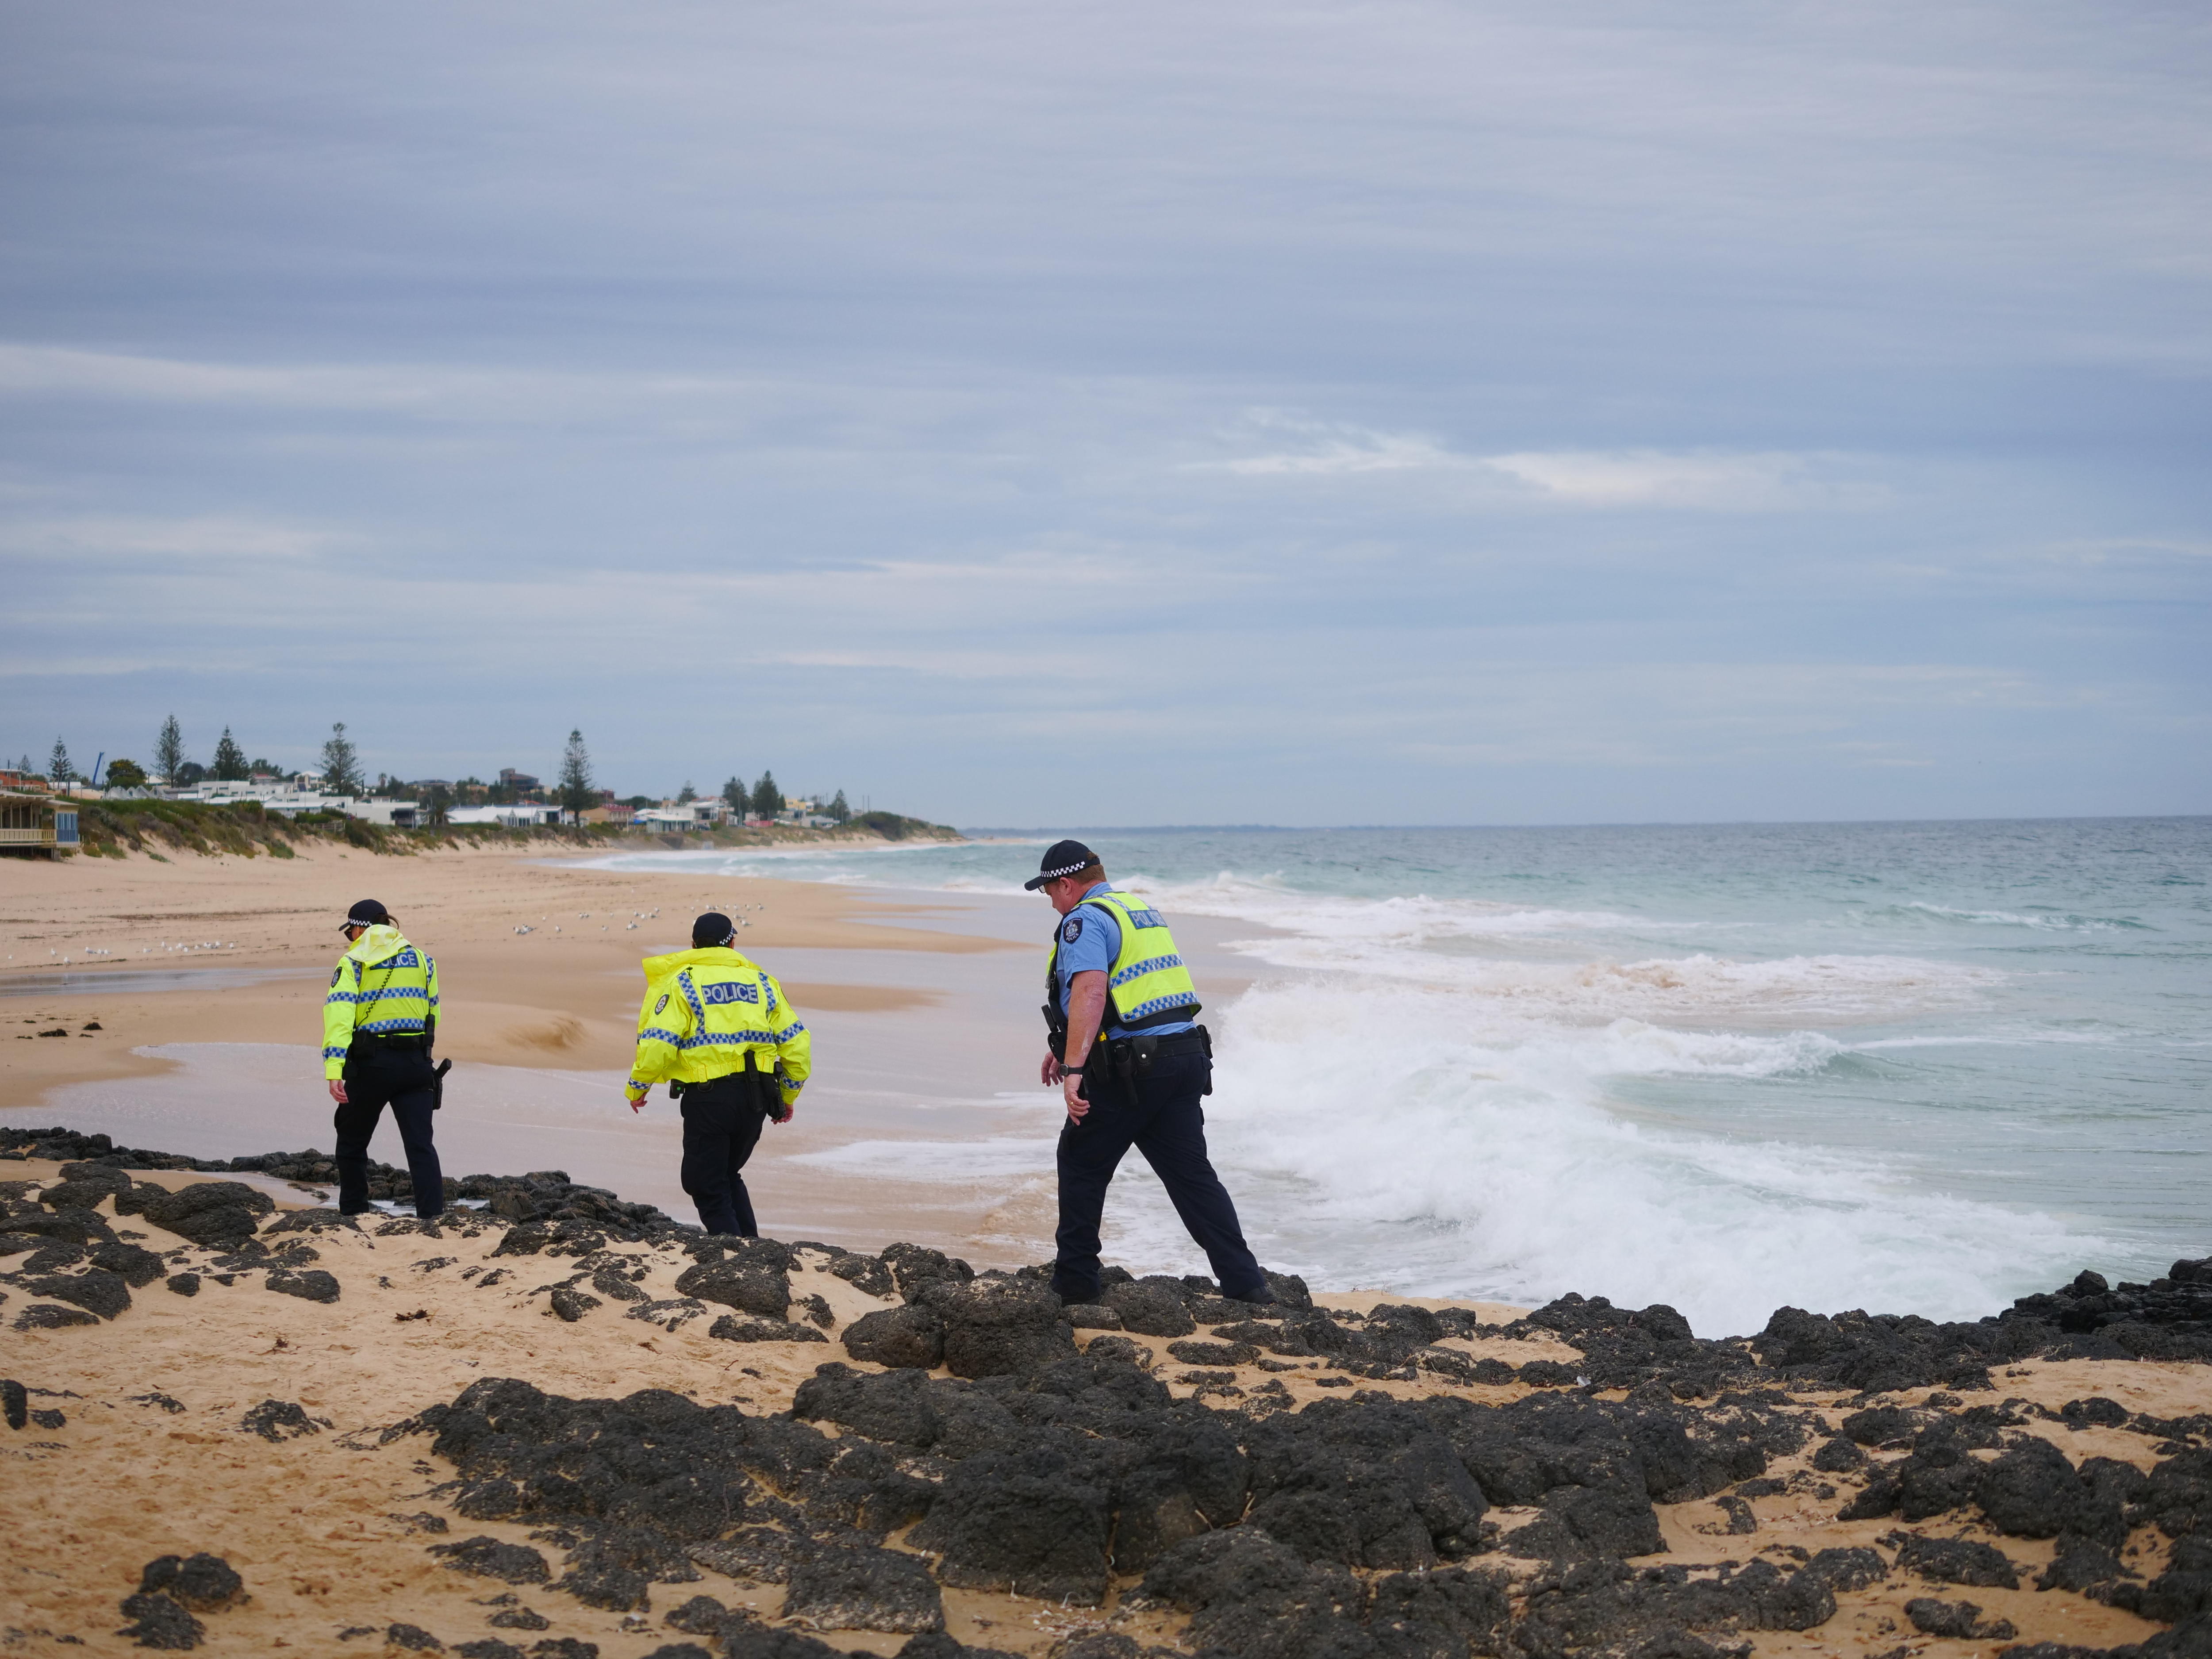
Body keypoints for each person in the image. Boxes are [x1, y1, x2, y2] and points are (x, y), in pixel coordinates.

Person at [1029, 840, 1272, 1306]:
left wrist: (1075, 1068)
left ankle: (1076, 1285)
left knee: (1081, 1162)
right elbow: (1140, 997)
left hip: (1132, 1068)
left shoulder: (1084, 919)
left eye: (1049, 893)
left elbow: (1092, 994)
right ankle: (1246, 1285)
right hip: (1184, 1058)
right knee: (1192, 1178)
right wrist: (1061, 1048)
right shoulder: (1139, 910)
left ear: (1066, 884)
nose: (1051, 905)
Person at [626, 912, 811, 1237]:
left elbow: (659, 1043)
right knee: (727, 1175)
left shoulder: (682, 981)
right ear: (733, 943)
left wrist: (638, 1087)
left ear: (694, 945)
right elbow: (798, 1045)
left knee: (705, 1183)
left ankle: (738, 1260)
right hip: (757, 1099)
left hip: (710, 1100)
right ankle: (754, 1251)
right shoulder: (763, 982)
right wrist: (787, 1095)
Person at [323, 899, 444, 1219]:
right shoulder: (424, 961)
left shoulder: (353, 962)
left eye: (351, 932)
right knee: (421, 1148)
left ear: (361, 928)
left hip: (371, 1066)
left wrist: (334, 1068)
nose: (351, 939)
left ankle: (353, 1215)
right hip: (418, 1066)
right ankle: (433, 1218)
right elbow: (434, 1014)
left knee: (351, 1142)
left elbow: (339, 1018)